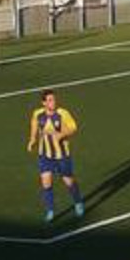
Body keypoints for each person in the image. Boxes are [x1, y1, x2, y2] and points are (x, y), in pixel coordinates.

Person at [26, 89, 84, 222]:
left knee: (68, 181)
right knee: (46, 182)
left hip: (62, 155)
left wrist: (62, 134)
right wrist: (32, 140)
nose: (53, 102)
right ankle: (50, 210)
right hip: (44, 155)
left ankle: (78, 202)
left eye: (54, 99)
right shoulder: (37, 114)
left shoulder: (63, 113)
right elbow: (34, 125)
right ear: (44, 103)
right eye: (50, 100)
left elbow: (73, 127)